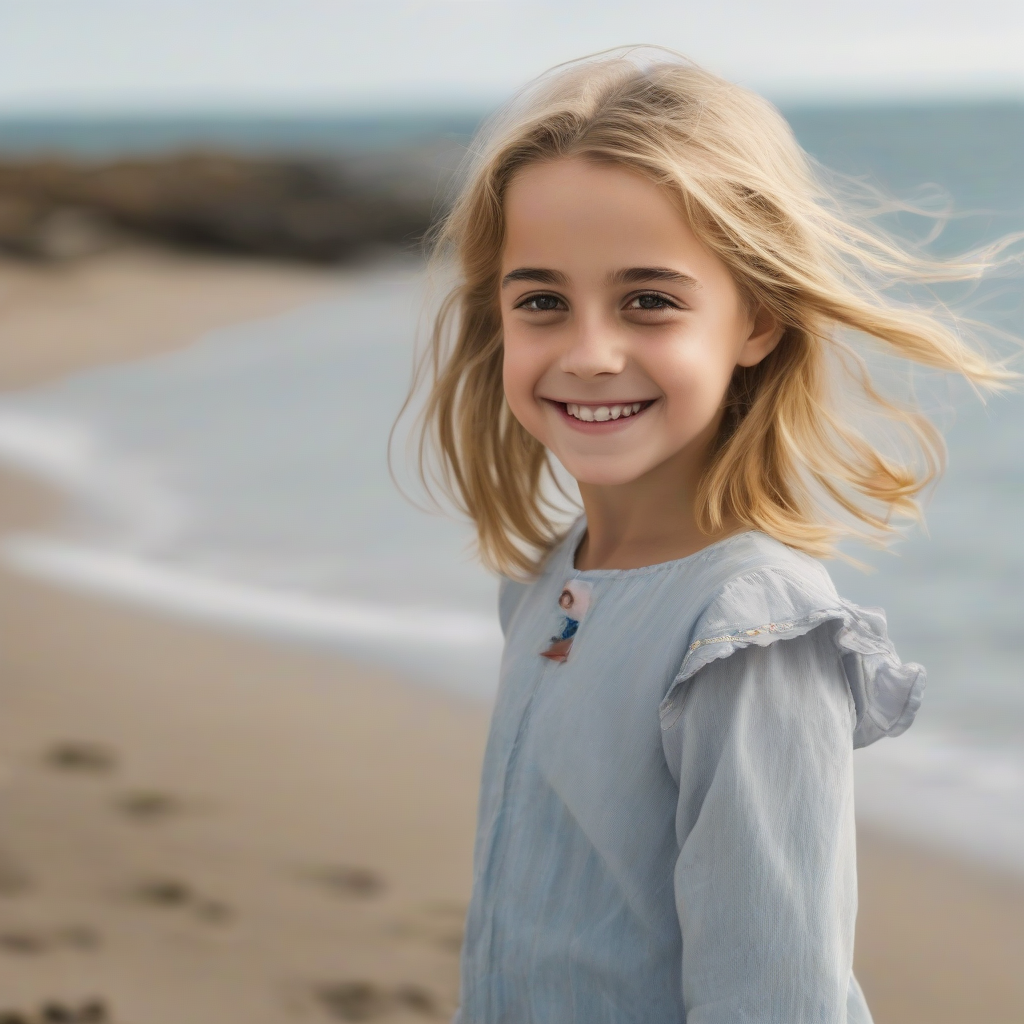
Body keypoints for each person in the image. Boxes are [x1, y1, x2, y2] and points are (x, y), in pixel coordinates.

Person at [409, 47, 1015, 1022]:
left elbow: (775, 994)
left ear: (757, 320)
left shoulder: (749, 632)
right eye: (541, 302)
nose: (590, 352)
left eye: (649, 300)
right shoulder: (545, 579)